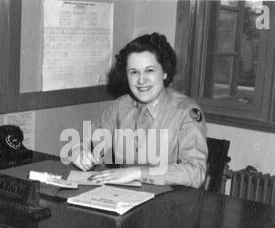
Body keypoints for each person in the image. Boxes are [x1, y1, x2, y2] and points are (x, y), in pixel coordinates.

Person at [71, 33, 207, 187]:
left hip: (170, 201)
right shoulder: (122, 106)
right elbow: (89, 138)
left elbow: (196, 172)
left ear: (165, 72)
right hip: (124, 197)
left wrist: (138, 173)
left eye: (149, 70)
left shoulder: (186, 111)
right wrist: (79, 149)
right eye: (134, 72)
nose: (141, 80)